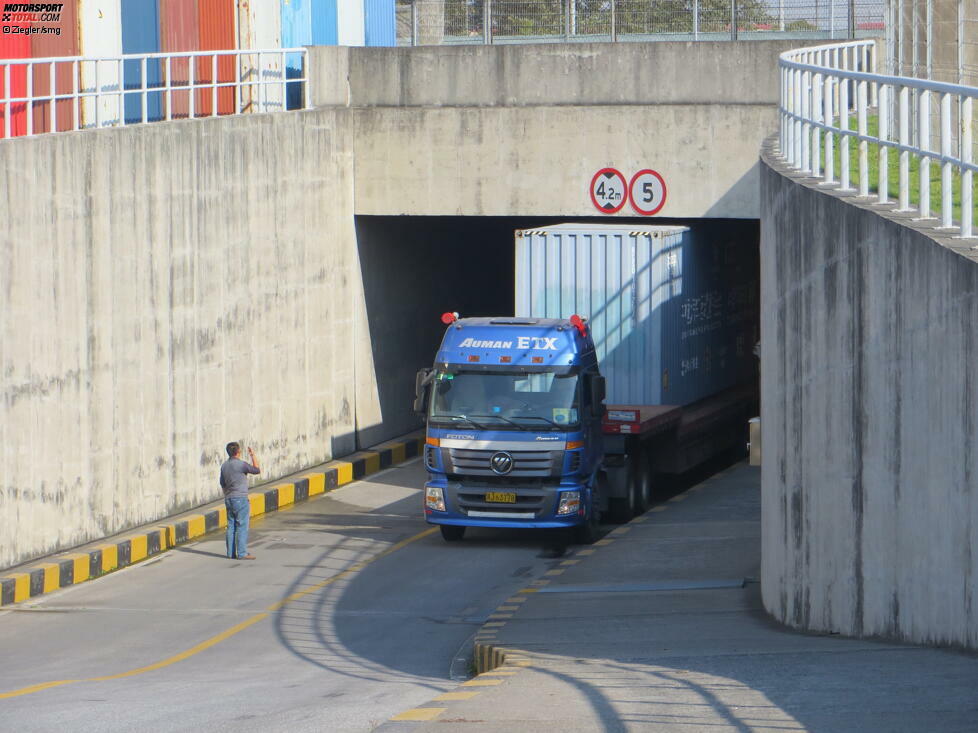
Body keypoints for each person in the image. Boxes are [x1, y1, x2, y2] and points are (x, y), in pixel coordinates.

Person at [220, 442, 261, 560]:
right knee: (242, 525)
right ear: (238, 452)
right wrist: (253, 455)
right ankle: (242, 553)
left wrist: (228, 494)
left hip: (229, 498)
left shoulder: (224, 466)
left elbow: (222, 483)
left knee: (231, 526)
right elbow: (257, 470)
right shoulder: (241, 465)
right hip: (241, 498)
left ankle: (230, 553)